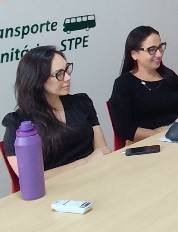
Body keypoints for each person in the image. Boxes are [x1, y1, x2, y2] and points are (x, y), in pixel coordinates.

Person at [2, 45, 109, 176]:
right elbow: (30, 177)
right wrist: (86, 161)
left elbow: (102, 151)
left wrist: (93, 161)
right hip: (57, 187)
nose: (68, 77)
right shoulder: (18, 123)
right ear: (38, 80)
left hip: (95, 175)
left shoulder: (81, 103)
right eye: (59, 74)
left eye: (67, 70)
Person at [108, 26, 178, 143]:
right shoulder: (123, 84)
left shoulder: (169, 76)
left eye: (160, 47)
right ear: (134, 54)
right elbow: (124, 129)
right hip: (148, 144)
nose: (159, 54)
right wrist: (163, 135)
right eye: (152, 50)